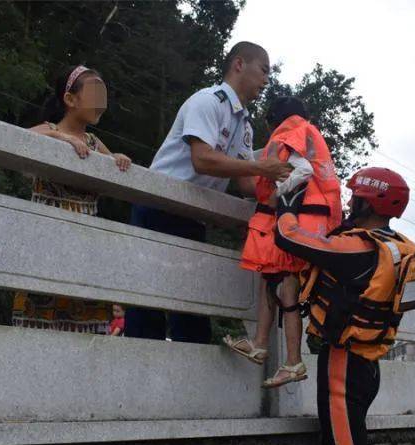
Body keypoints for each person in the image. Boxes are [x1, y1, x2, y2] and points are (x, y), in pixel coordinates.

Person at [274, 167, 415, 445]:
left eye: (355, 197)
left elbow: (289, 237)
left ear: (368, 203)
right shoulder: (398, 247)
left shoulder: (358, 248)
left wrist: (286, 204)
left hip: (342, 366)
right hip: (367, 365)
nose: (349, 202)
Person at [124, 41, 291, 343]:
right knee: (147, 303)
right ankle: (138, 368)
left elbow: (246, 184)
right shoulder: (207, 101)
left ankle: (189, 369)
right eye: (264, 70)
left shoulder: (245, 125)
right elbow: (202, 159)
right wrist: (261, 168)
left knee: (192, 309)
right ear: (239, 64)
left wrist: (286, 194)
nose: (267, 80)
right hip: (158, 204)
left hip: (193, 215)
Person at [223, 96, 341, 388]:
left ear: (274, 120)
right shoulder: (309, 133)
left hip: (295, 220)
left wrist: (277, 195)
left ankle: (292, 362)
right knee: (271, 278)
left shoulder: (289, 132)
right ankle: (260, 344)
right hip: (312, 221)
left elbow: (302, 171)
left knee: (287, 290)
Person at [12, 65, 131, 334]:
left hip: (85, 244)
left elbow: (110, 160)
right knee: (38, 325)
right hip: (47, 239)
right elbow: (21, 137)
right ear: (70, 99)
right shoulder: (50, 129)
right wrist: (59, 137)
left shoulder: (93, 141)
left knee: (86, 330)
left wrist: (117, 158)